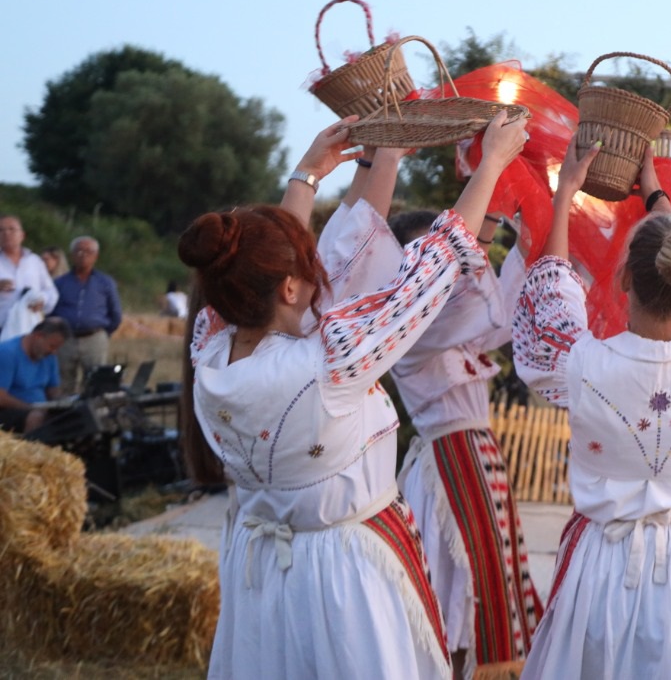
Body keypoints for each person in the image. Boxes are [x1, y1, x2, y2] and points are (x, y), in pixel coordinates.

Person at [178, 111, 528, 680]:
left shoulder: (209, 347)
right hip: (341, 575)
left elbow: (260, 270)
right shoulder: (331, 358)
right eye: (308, 267)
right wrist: (491, 163)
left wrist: (307, 177)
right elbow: (434, 264)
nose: (322, 275)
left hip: (259, 568)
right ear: (290, 287)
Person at [514, 141, 671, 679]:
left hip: (601, 568)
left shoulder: (577, 364)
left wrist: (565, 196)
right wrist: (658, 198)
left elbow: (552, 289)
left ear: (625, 278)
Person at [389, 210, 543, 679]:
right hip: (448, 472)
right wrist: (486, 224)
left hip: (479, 462)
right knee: (454, 595)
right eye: (431, 260)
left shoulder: (455, 327)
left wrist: (525, 243)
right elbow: (473, 308)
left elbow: (502, 312)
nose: (444, 270)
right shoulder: (411, 331)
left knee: (488, 584)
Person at [51, 236, 122, 392]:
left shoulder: (105, 282)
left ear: (96, 256)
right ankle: (65, 408)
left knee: (95, 383)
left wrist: (104, 333)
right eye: (79, 251)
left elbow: (115, 313)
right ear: (72, 255)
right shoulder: (60, 283)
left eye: (88, 252)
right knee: (63, 382)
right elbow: (52, 311)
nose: (83, 255)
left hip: (94, 338)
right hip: (66, 339)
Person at [0, 316, 71, 434]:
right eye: (52, 346)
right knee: (36, 417)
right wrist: (31, 407)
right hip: (10, 410)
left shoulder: (49, 356)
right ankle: (31, 444)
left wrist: (62, 402)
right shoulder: (7, 353)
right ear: (38, 336)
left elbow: (53, 388)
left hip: (38, 408)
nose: (54, 352)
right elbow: (1, 398)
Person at [0, 215, 59, 339]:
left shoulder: (35, 261)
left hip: (29, 329)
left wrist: (42, 300)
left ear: (22, 235)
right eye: (1, 230)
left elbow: (51, 292)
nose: (6, 233)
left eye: (11, 229)